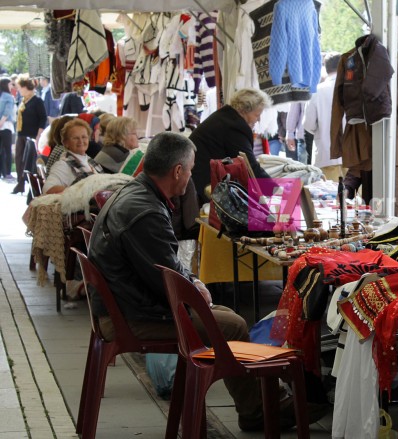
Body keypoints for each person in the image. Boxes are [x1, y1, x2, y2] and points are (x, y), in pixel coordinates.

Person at [87, 132, 284, 431]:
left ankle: (256, 404)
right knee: (233, 325)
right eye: (191, 169)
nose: (191, 176)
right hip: (130, 316)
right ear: (177, 171)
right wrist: (195, 290)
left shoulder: (137, 194)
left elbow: (166, 266)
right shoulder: (146, 211)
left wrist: (195, 283)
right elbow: (166, 281)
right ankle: (255, 411)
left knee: (226, 315)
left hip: (125, 304)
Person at [189, 88, 273, 204]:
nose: (258, 120)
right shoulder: (235, 126)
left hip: (195, 177)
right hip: (202, 183)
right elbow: (249, 166)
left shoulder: (226, 116)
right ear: (245, 110)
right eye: (257, 114)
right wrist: (276, 190)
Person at [304, 53, 343, 182]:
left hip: (325, 155)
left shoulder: (317, 91)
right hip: (352, 157)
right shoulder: (355, 89)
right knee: (353, 200)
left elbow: (308, 125)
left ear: (325, 68)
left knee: (330, 199)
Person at [42, 118, 103, 194]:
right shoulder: (63, 164)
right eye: (75, 138)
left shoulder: (89, 160)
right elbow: (47, 189)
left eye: (84, 137)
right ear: (65, 142)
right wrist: (78, 192)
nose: (81, 141)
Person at [13, 77, 47, 194]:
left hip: (32, 135)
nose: (18, 90)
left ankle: (31, 186)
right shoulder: (23, 100)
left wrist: (39, 135)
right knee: (18, 159)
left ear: (26, 87)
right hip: (21, 134)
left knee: (29, 161)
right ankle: (20, 183)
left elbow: (43, 118)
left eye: (19, 87)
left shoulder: (37, 101)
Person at [0, 78, 16, 180]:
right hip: (6, 125)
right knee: (7, 150)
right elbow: (7, 111)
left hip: (2, 126)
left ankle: (2, 171)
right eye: (10, 84)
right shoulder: (8, 97)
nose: (12, 86)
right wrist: (1, 122)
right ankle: (8, 173)